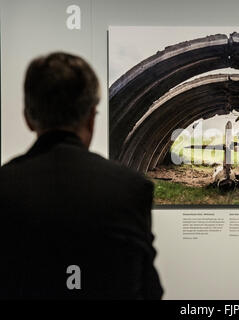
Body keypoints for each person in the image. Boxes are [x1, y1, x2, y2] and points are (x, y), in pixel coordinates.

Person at [0, 52, 163, 299]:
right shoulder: (130, 189)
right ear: (90, 120)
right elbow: (148, 291)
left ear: (28, 118)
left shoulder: (6, 187)